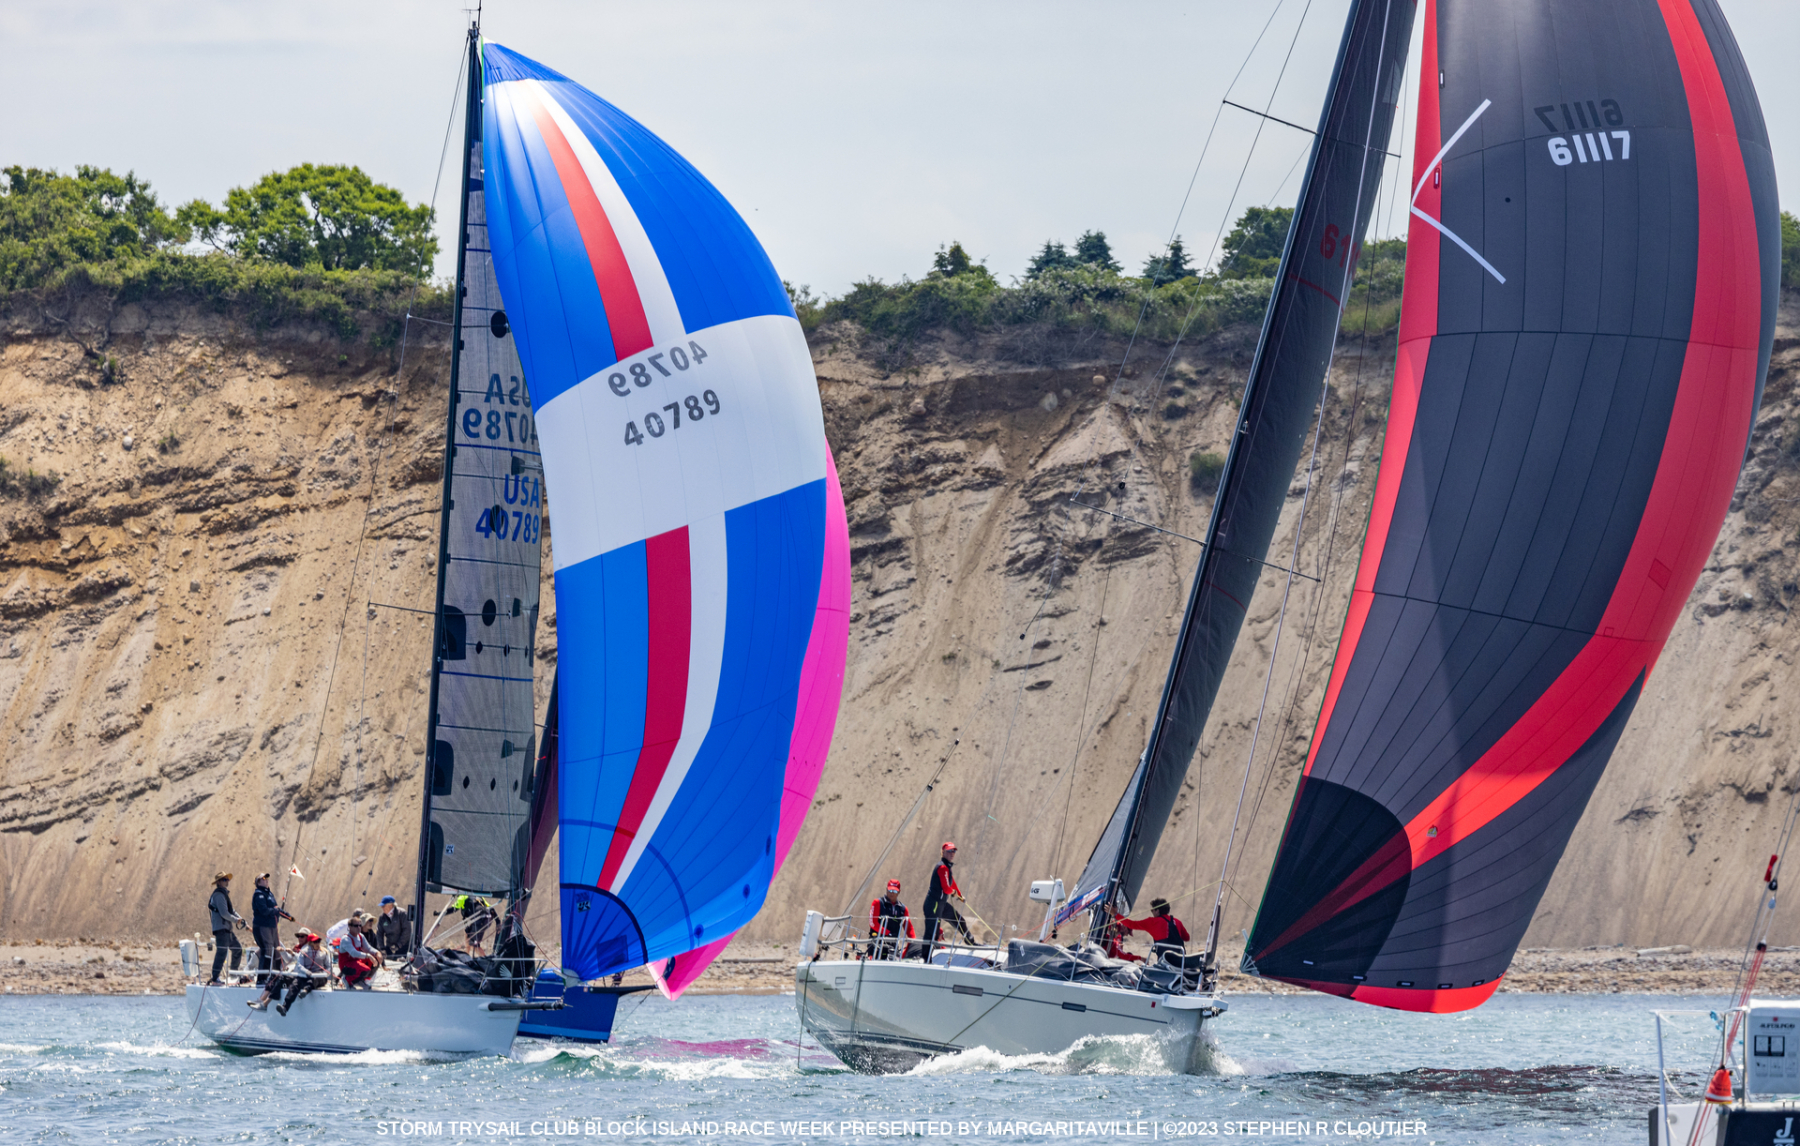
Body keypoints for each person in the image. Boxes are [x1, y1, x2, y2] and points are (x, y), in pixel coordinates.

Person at [921, 842, 974, 947]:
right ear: (943, 852)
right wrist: (953, 893)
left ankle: (970, 941)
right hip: (933, 904)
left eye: (953, 851)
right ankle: (927, 955)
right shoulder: (942, 867)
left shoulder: (947, 868)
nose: (952, 853)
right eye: (949, 851)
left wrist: (960, 896)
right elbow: (946, 889)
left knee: (959, 920)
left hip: (941, 904)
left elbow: (952, 883)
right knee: (933, 934)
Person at [274, 932, 333, 1016]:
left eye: (318, 941)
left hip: (319, 976)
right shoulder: (304, 952)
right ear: (310, 943)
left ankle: (305, 990)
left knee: (314, 979)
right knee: (295, 984)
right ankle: (285, 1007)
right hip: (306, 975)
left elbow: (329, 967)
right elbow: (299, 965)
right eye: (315, 942)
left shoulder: (325, 952)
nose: (317, 943)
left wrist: (324, 974)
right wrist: (306, 972)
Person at [1116, 898, 1191, 963]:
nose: (1152, 913)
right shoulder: (1177, 921)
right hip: (1180, 961)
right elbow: (1187, 938)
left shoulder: (1152, 922)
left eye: (1152, 910)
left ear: (1157, 911)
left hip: (1164, 962)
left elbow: (1131, 924)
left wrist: (1115, 914)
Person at [249, 873, 291, 985]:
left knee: (277, 949)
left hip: (272, 926)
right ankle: (261, 979)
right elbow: (264, 911)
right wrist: (275, 911)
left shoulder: (269, 894)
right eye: (263, 879)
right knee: (267, 949)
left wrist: (288, 916)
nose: (266, 880)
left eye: (267, 878)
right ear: (258, 882)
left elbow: (276, 909)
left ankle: (276, 977)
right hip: (262, 926)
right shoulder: (258, 894)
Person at [206, 872, 247, 985]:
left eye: (227, 879)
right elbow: (224, 913)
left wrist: (242, 921)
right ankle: (215, 978)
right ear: (219, 882)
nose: (227, 881)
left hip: (226, 928)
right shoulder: (219, 895)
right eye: (224, 879)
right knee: (222, 952)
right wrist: (236, 920)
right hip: (221, 928)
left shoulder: (223, 894)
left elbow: (231, 911)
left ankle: (233, 975)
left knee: (237, 949)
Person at [868, 879, 916, 960]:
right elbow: (872, 923)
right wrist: (887, 933)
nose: (892, 893)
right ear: (886, 889)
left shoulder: (903, 909)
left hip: (893, 945)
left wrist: (913, 942)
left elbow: (909, 928)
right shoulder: (877, 902)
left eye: (895, 891)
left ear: (899, 892)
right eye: (890, 890)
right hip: (876, 943)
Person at [332, 916, 380, 989]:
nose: (358, 927)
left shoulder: (361, 936)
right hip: (346, 965)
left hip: (356, 961)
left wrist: (377, 953)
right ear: (350, 927)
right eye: (356, 926)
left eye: (360, 925)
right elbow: (353, 953)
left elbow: (368, 948)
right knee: (365, 969)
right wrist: (369, 956)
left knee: (375, 961)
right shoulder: (346, 939)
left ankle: (360, 981)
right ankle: (348, 980)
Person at [374, 896, 411, 962]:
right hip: (390, 948)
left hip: (403, 948)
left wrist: (398, 945)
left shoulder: (402, 914)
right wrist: (382, 948)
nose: (382, 907)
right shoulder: (382, 918)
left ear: (390, 905)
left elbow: (407, 931)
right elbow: (379, 934)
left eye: (383, 906)